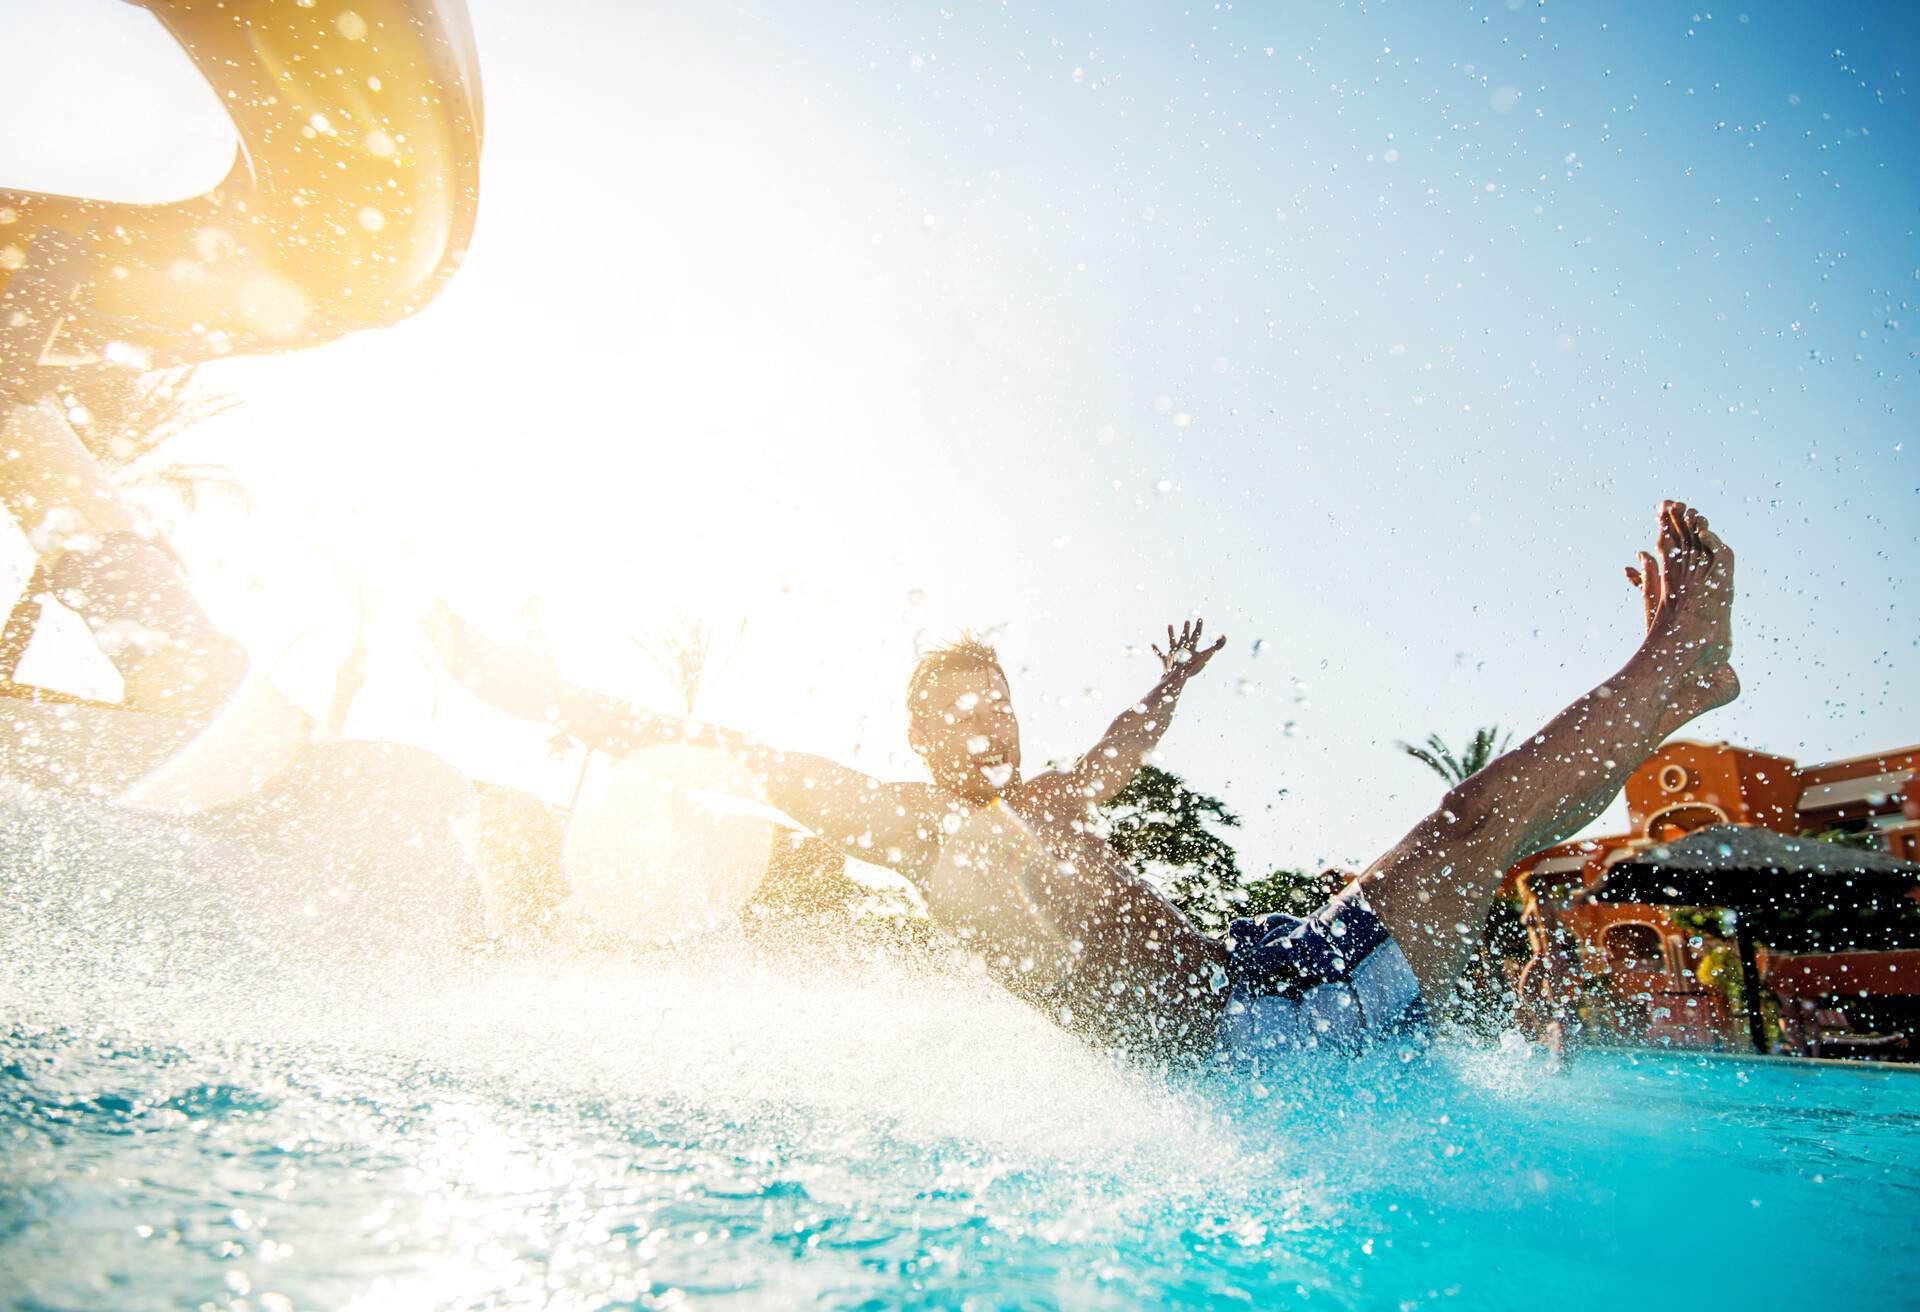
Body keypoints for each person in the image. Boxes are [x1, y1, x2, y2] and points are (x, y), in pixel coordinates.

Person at [427, 500, 1739, 1065]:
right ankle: (1676, 674)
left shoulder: (1042, 802)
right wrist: (529, 692)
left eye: (996, 709)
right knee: (1462, 828)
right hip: (1261, 1042)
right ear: (919, 741)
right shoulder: (909, 826)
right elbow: (724, 754)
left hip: (1262, 970)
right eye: (956, 719)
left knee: (1456, 836)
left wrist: (1169, 686)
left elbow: (1121, 752)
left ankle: (1669, 676)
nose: (985, 733)